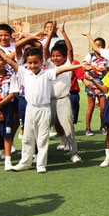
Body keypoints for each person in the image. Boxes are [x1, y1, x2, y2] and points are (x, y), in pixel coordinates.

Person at [0, 45, 89, 173]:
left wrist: (80, 65)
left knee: (42, 137)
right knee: (27, 137)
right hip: (30, 109)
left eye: (36, 62)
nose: (33, 65)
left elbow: (63, 69)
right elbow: (8, 60)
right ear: (27, 63)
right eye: (30, 63)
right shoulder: (24, 72)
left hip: (44, 109)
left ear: (41, 62)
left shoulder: (47, 73)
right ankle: (25, 163)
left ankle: (41, 164)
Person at [43, 23, 82, 163]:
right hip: (48, 101)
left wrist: (64, 33)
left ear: (65, 56)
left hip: (63, 100)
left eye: (58, 56)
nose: (55, 58)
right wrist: (50, 34)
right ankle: (41, 155)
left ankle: (74, 153)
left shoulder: (68, 64)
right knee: (44, 128)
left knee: (68, 128)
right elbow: (45, 49)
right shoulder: (49, 64)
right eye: (53, 56)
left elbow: (70, 49)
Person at [83, 37, 108, 136]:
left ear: (103, 47)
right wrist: (94, 68)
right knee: (91, 106)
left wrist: (104, 71)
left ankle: (103, 127)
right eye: (95, 45)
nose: (97, 47)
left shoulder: (106, 58)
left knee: (103, 108)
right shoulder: (90, 56)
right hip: (91, 82)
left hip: (103, 82)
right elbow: (84, 65)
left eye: (99, 45)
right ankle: (88, 128)